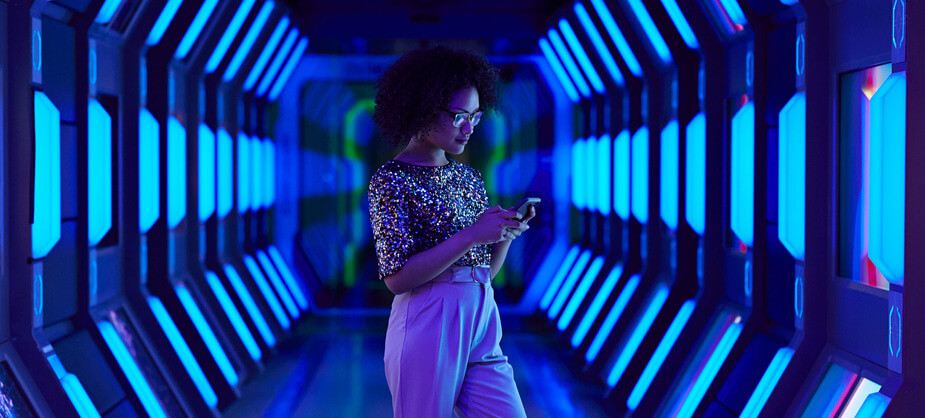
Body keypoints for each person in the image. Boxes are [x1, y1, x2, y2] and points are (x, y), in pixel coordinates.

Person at [368, 45, 535, 417]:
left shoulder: (468, 176)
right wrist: (472, 234)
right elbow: (396, 279)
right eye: (459, 115)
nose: (468, 128)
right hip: (428, 318)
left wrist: (503, 235)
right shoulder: (391, 181)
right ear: (422, 107)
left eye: (475, 117)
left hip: (481, 312)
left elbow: (482, 272)